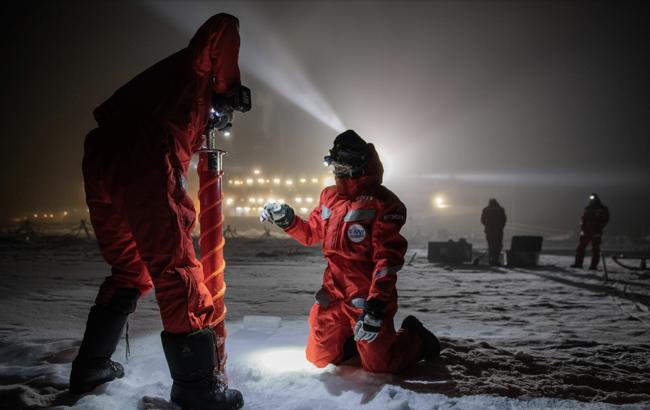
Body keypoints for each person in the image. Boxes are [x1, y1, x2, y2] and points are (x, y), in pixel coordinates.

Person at [70, 13, 246, 410]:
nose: (218, 120)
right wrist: (228, 87)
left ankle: (91, 365)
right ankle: (197, 390)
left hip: (102, 154)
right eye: (222, 113)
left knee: (130, 269)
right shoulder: (197, 74)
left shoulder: (162, 93)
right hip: (144, 153)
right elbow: (224, 25)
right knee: (175, 266)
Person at [261, 130, 440, 374]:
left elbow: (387, 260)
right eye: (334, 165)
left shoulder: (384, 203)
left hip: (365, 295)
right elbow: (311, 233)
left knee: (380, 366)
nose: (335, 171)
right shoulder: (329, 196)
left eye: (340, 166)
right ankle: (350, 343)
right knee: (318, 359)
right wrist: (287, 219)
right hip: (333, 292)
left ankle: (415, 337)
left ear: (357, 165)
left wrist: (376, 305)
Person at [571, 193, 610, 270]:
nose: (592, 199)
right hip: (586, 231)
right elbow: (583, 219)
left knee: (595, 249)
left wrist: (598, 227)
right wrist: (582, 228)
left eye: (593, 198)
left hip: (596, 232)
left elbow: (605, 219)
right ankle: (578, 263)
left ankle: (593, 265)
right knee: (580, 248)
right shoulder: (587, 208)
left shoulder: (602, 209)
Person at [480, 198, 507, 266]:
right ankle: (495, 259)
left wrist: (488, 225)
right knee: (498, 245)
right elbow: (504, 220)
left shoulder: (486, 209)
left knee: (490, 245)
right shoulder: (500, 209)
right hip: (498, 231)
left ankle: (491, 260)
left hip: (489, 230)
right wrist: (500, 227)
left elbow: (482, 220)